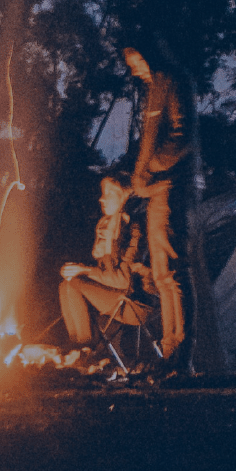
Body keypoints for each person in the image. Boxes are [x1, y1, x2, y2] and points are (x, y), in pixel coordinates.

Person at [125, 46, 190, 358]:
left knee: (171, 274)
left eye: (138, 61)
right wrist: (138, 177)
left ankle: (181, 349)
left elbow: (182, 134)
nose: (135, 70)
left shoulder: (171, 83)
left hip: (168, 187)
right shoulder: (154, 91)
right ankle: (169, 349)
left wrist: (151, 168)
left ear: (150, 54)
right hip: (153, 190)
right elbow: (149, 140)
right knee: (161, 274)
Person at [58, 176, 152, 346]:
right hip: (115, 295)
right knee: (66, 284)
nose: (102, 199)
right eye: (103, 194)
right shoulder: (107, 226)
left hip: (134, 303)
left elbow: (123, 281)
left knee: (74, 284)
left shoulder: (133, 229)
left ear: (123, 197)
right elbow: (105, 273)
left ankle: (86, 347)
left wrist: (85, 270)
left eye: (109, 194)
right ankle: (76, 346)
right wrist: (77, 269)